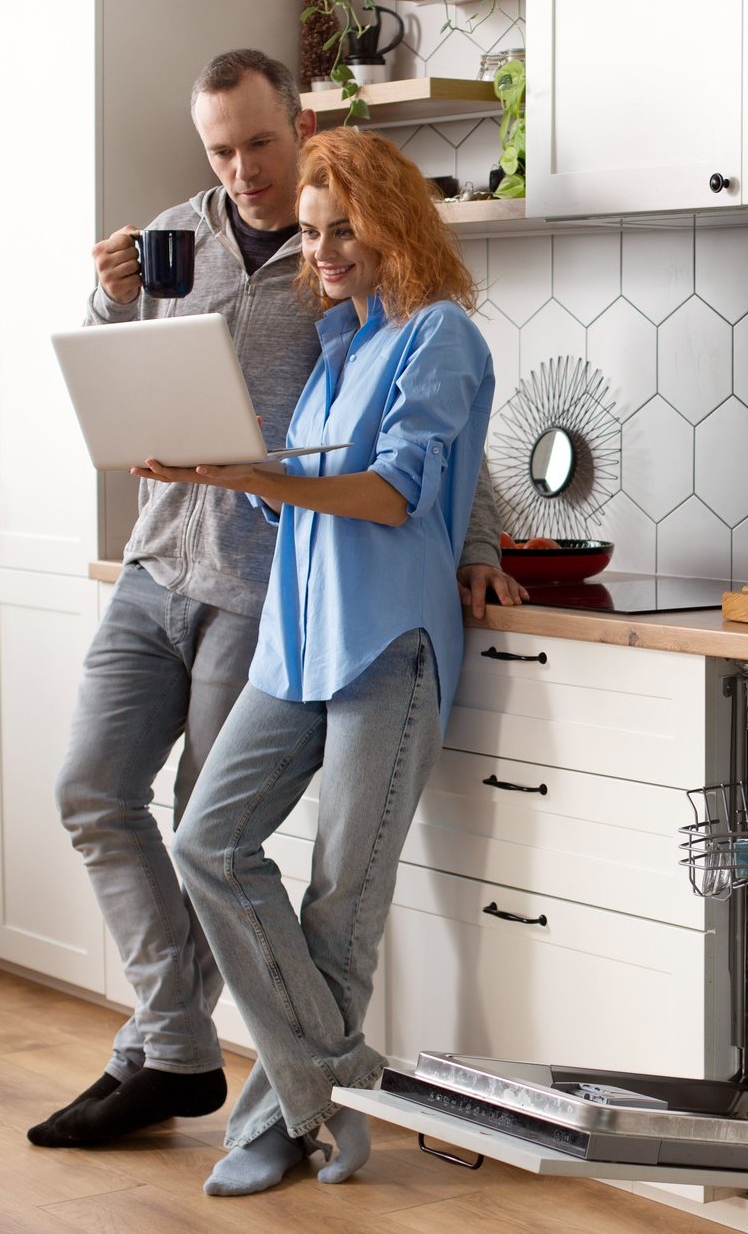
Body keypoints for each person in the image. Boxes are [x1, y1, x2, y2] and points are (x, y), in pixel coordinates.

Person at [31, 50, 522, 1150]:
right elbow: (128, 374)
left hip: (275, 598)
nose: (241, 168)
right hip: (163, 563)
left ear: (295, 126)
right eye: (221, 150)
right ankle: (195, 1046)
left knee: (239, 843)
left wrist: (476, 540)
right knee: (98, 795)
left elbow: (438, 443)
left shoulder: (375, 304)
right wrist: (107, 304)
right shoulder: (193, 250)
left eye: (259, 142)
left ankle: (208, 1072)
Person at [145, 127, 491, 1195]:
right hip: (298, 646)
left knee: (342, 900)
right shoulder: (339, 348)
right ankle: (329, 1080)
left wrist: (272, 477)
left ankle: (282, 1123)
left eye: (345, 229)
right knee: (208, 839)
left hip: (389, 645)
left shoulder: (441, 338)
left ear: (394, 224)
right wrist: (225, 468)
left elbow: (392, 495)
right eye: (308, 232)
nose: (325, 251)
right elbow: (300, 494)